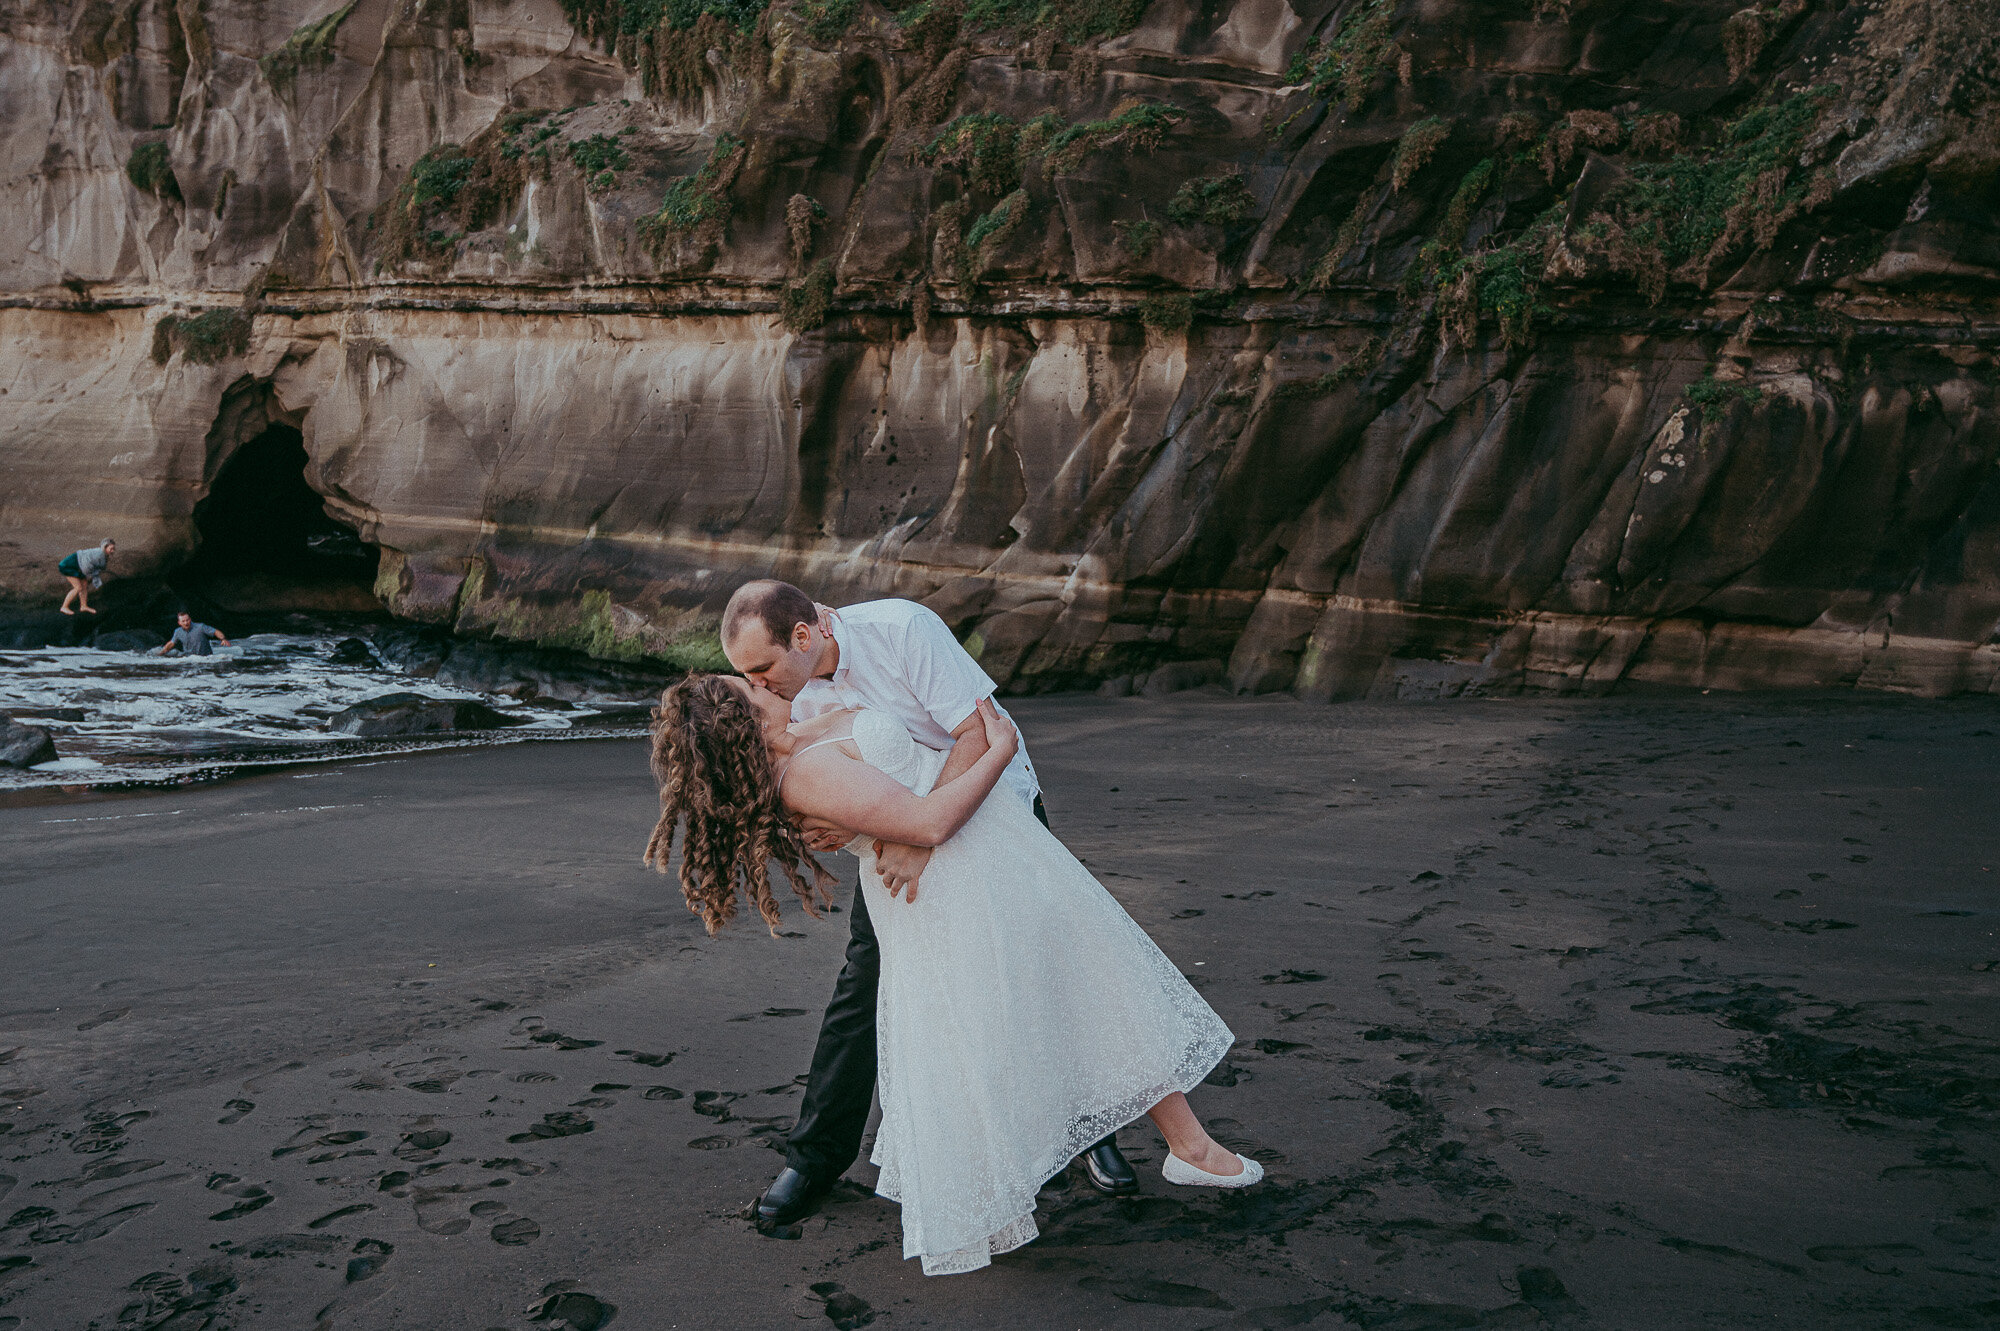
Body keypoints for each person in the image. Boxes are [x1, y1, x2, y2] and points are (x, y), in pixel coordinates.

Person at [719, 581, 1141, 1228]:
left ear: (802, 637)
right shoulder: (789, 692)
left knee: (1034, 970)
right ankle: (814, 1157)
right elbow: (828, 777)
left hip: (998, 810)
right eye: (744, 674)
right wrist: (851, 827)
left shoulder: (902, 630)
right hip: (903, 837)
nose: (758, 685)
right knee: (864, 986)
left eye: (761, 669)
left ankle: (1089, 1126)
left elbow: (977, 732)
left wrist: (916, 837)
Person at [57, 540, 114, 615]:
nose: (112, 551)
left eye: (113, 549)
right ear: (105, 547)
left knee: (84, 584)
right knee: (78, 587)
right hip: (67, 566)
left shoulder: (103, 554)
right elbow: (87, 565)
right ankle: (64, 607)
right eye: (111, 549)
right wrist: (92, 574)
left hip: (78, 566)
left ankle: (83, 606)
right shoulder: (99, 554)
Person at [158, 612, 230, 657]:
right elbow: (172, 643)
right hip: (189, 659)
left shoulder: (200, 627)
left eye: (187, 620)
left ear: (190, 619)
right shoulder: (177, 631)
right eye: (183, 621)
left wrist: (223, 639)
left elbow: (215, 631)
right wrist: (161, 652)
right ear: (179, 623)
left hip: (206, 658)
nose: (186, 623)